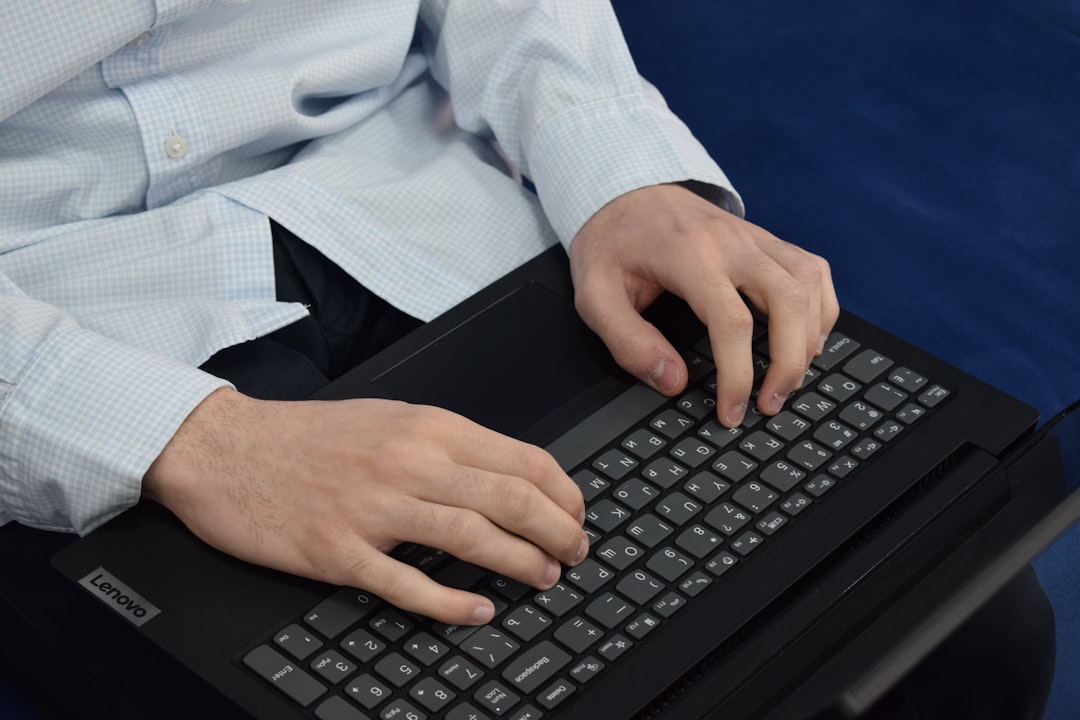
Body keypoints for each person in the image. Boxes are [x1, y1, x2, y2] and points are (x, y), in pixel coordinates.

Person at [0, 2, 1052, 719]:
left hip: (400, 176)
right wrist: (199, 441)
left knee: (957, 633)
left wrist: (618, 167)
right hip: (63, 306)